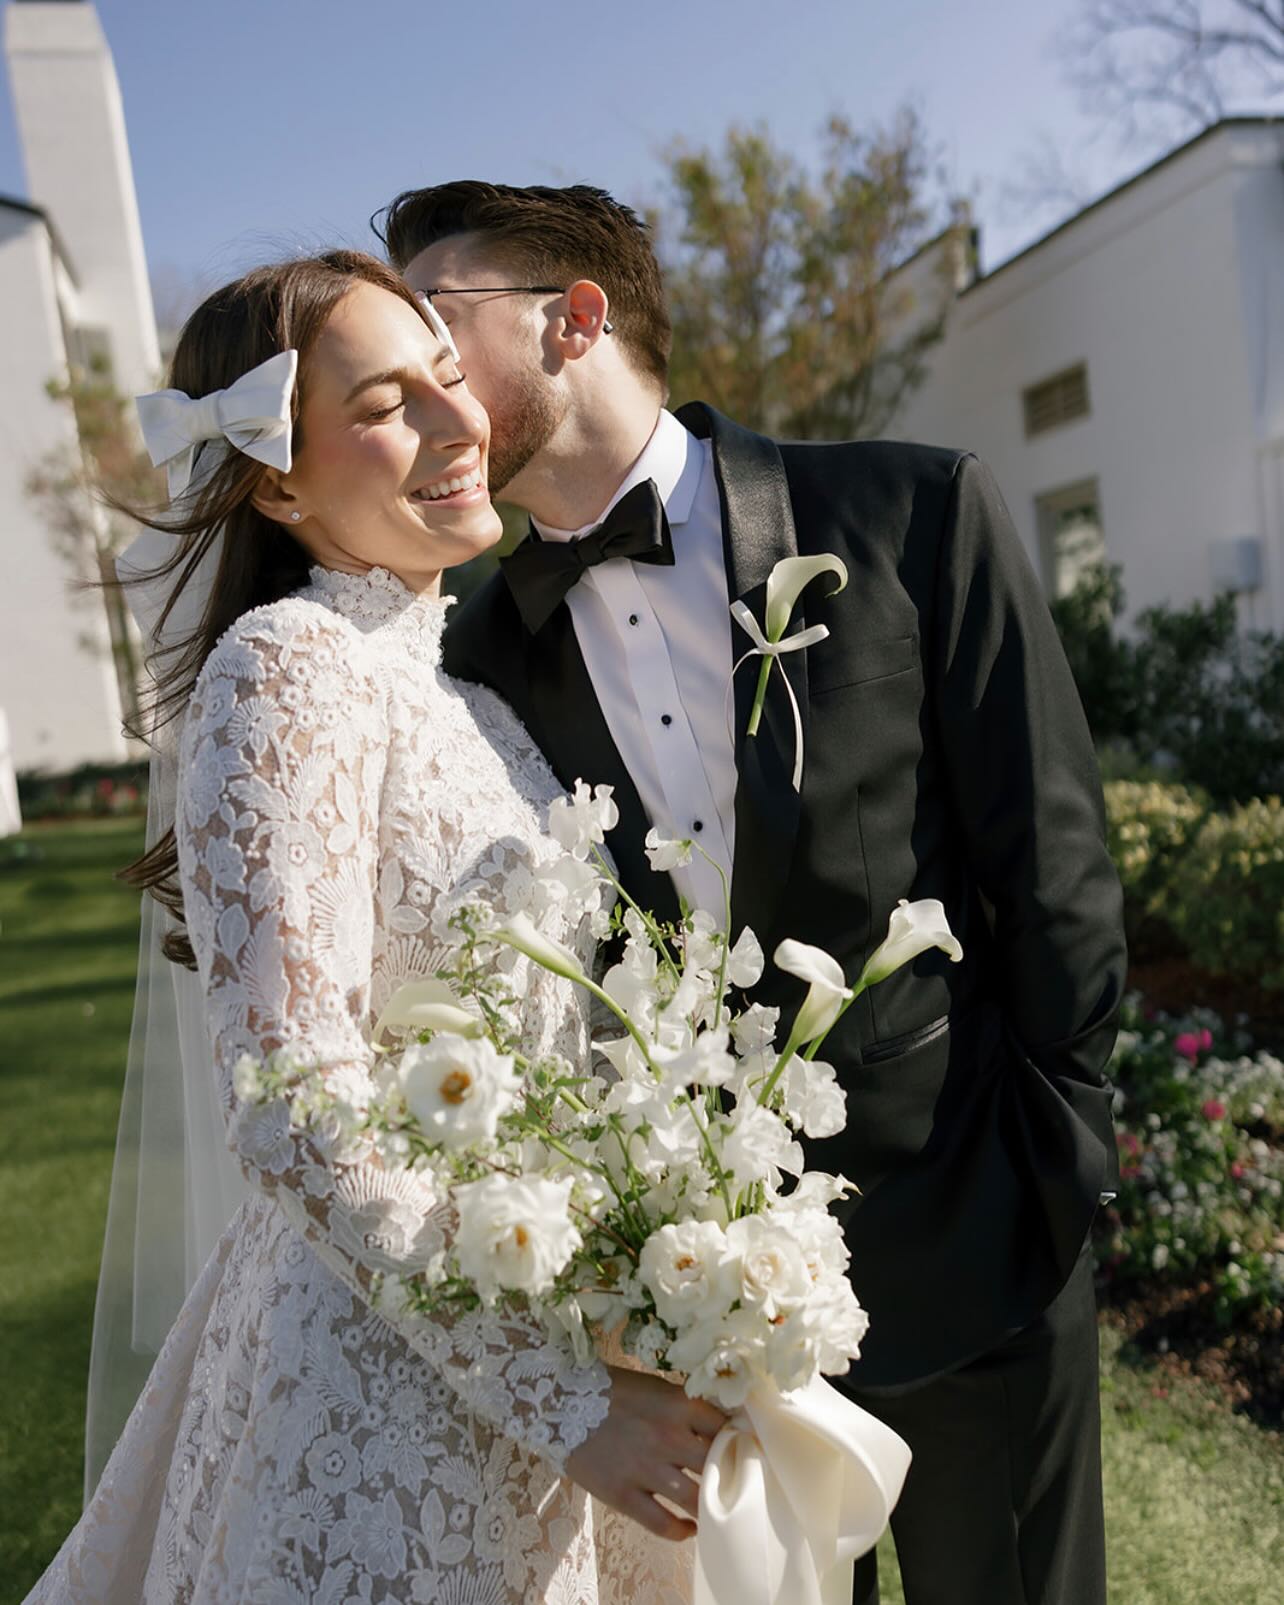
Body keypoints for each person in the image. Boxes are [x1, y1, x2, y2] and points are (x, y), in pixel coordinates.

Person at [378, 181, 1130, 1605]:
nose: (418, 377)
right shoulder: (473, 663)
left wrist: (1058, 1165)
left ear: (572, 318)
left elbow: (1056, 870)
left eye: (438, 325)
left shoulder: (912, 509)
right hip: (698, 1320)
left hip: (979, 1240)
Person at [27, 250, 721, 1605]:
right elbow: (293, 1099)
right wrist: (566, 1400)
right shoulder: (287, 666)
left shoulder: (472, 704)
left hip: (537, 1342)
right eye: (389, 405)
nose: (462, 424)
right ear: (277, 483)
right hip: (378, 1403)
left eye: (449, 378)